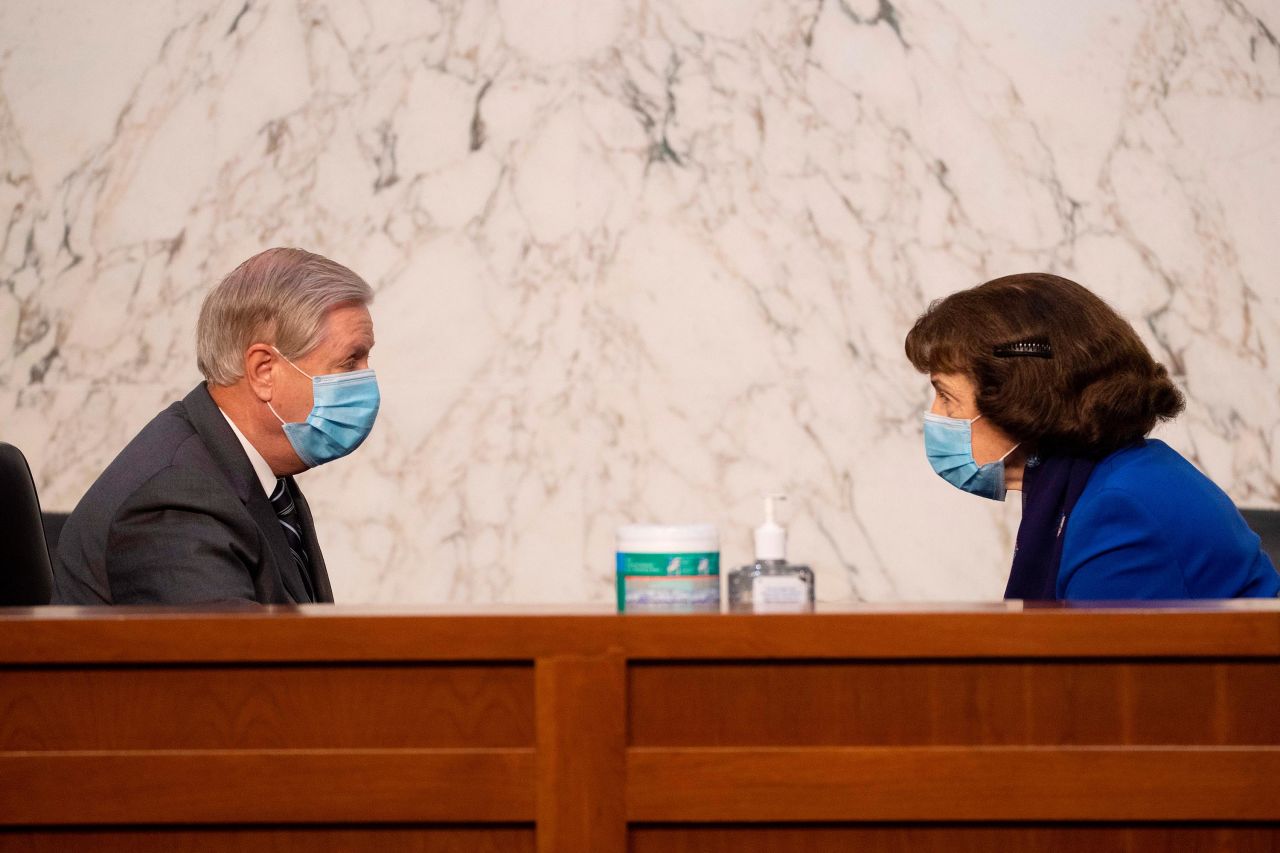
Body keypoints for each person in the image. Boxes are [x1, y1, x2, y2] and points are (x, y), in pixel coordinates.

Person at [904, 273, 1279, 600]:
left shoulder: (1119, 509)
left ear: (1021, 400)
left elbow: (1097, 682)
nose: (936, 416)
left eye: (947, 396)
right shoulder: (1107, 479)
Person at [55, 248, 379, 605]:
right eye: (350, 362)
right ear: (263, 371)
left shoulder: (257, 474)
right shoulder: (178, 500)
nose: (366, 379)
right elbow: (233, 656)